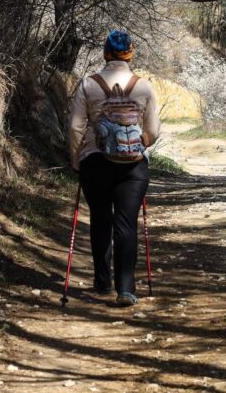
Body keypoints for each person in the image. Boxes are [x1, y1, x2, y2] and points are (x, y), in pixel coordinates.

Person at [67, 29, 161, 306]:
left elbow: (75, 127)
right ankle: (126, 289)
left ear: (105, 53)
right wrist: (139, 144)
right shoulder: (144, 86)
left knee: (100, 219)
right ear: (130, 54)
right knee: (126, 223)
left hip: (94, 162)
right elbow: (153, 130)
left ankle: (102, 281)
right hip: (133, 166)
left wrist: (77, 159)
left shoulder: (88, 84)